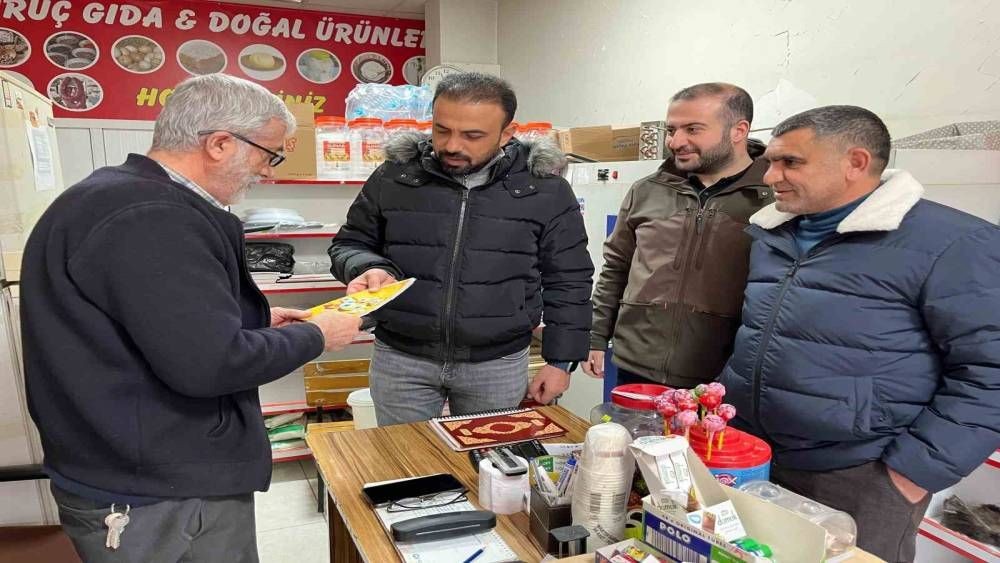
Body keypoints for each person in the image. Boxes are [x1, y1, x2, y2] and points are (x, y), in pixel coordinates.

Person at [21, 74, 362, 562]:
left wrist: (254, 322)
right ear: (220, 144)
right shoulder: (153, 215)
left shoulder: (113, 195)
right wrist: (317, 335)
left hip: (133, 467)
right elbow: (211, 364)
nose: (268, 172)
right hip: (159, 492)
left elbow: (155, 327)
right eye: (269, 155)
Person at [719, 105, 1000, 562]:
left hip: (860, 473)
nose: (771, 176)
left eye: (791, 162)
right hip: (757, 453)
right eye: (771, 161)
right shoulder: (772, 234)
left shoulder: (954, 243)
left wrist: (912, 470)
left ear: (856, 162)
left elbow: (990, 372)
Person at [328, 72, 593, 425]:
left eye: (472, 135)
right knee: (408, 467)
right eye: (442, 129)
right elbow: (350, 243)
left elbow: (570, 279)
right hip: (402, 358)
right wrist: (367, 267)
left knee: (489, 466)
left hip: (496, 364)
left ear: (507, 134)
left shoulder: (545, 190)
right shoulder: (396, 176)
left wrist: (560, 362)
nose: (452, 145)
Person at [583, 83, 773, 387]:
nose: (676, 141)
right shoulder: (647, 191)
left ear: (739, 131)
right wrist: (595, 336)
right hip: (637, 363)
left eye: (693, 130)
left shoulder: (772, 199)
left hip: (722, 373)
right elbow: (616, 268)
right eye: (672, 130)